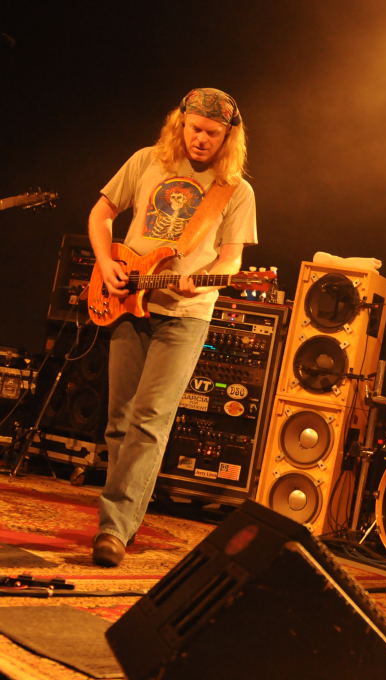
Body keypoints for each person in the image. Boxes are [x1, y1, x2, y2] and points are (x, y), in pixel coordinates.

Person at [87, 88, 257, 567]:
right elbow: (101, 213)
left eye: (212, 133)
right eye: (195, 129)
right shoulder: (147, 161)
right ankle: (117, 519)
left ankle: (114, 529)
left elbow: (231, 261)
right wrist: (106, 261)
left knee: (150, 419)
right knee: (119, 421)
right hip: (127, 299)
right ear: (180, 124)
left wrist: (201, 279)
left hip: (186, 315)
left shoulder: (236, 190)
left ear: (228, 137)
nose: (202, 139)